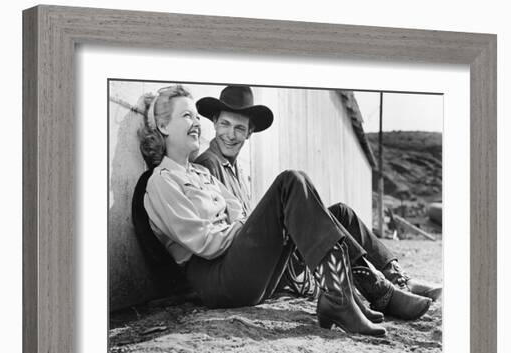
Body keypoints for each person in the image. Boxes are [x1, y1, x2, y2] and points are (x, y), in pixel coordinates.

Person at [137, 84, 433, 338]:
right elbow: (208, 243)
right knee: (291, 182)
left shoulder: (201, 176)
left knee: (335, 211)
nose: (196, 123)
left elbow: (238, 209)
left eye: (195, 116)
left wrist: (263, 226)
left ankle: (368, 290)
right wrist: (263, 227)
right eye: (186, 115)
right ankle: (349, 296)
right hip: (216, 280)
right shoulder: (161, 182)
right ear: (163, 126)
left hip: (237, 267)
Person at [194, 85, 442, 303]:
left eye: (239, 128)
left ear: (249, 133)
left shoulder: (237, 169)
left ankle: (397, 276)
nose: (231, 134)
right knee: (299, 196)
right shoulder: (208, 165)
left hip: (258, 258)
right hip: (243, 269)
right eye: (225, 124)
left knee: (341, 213)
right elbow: (221, 235)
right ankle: (376, 285)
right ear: (214, 122)